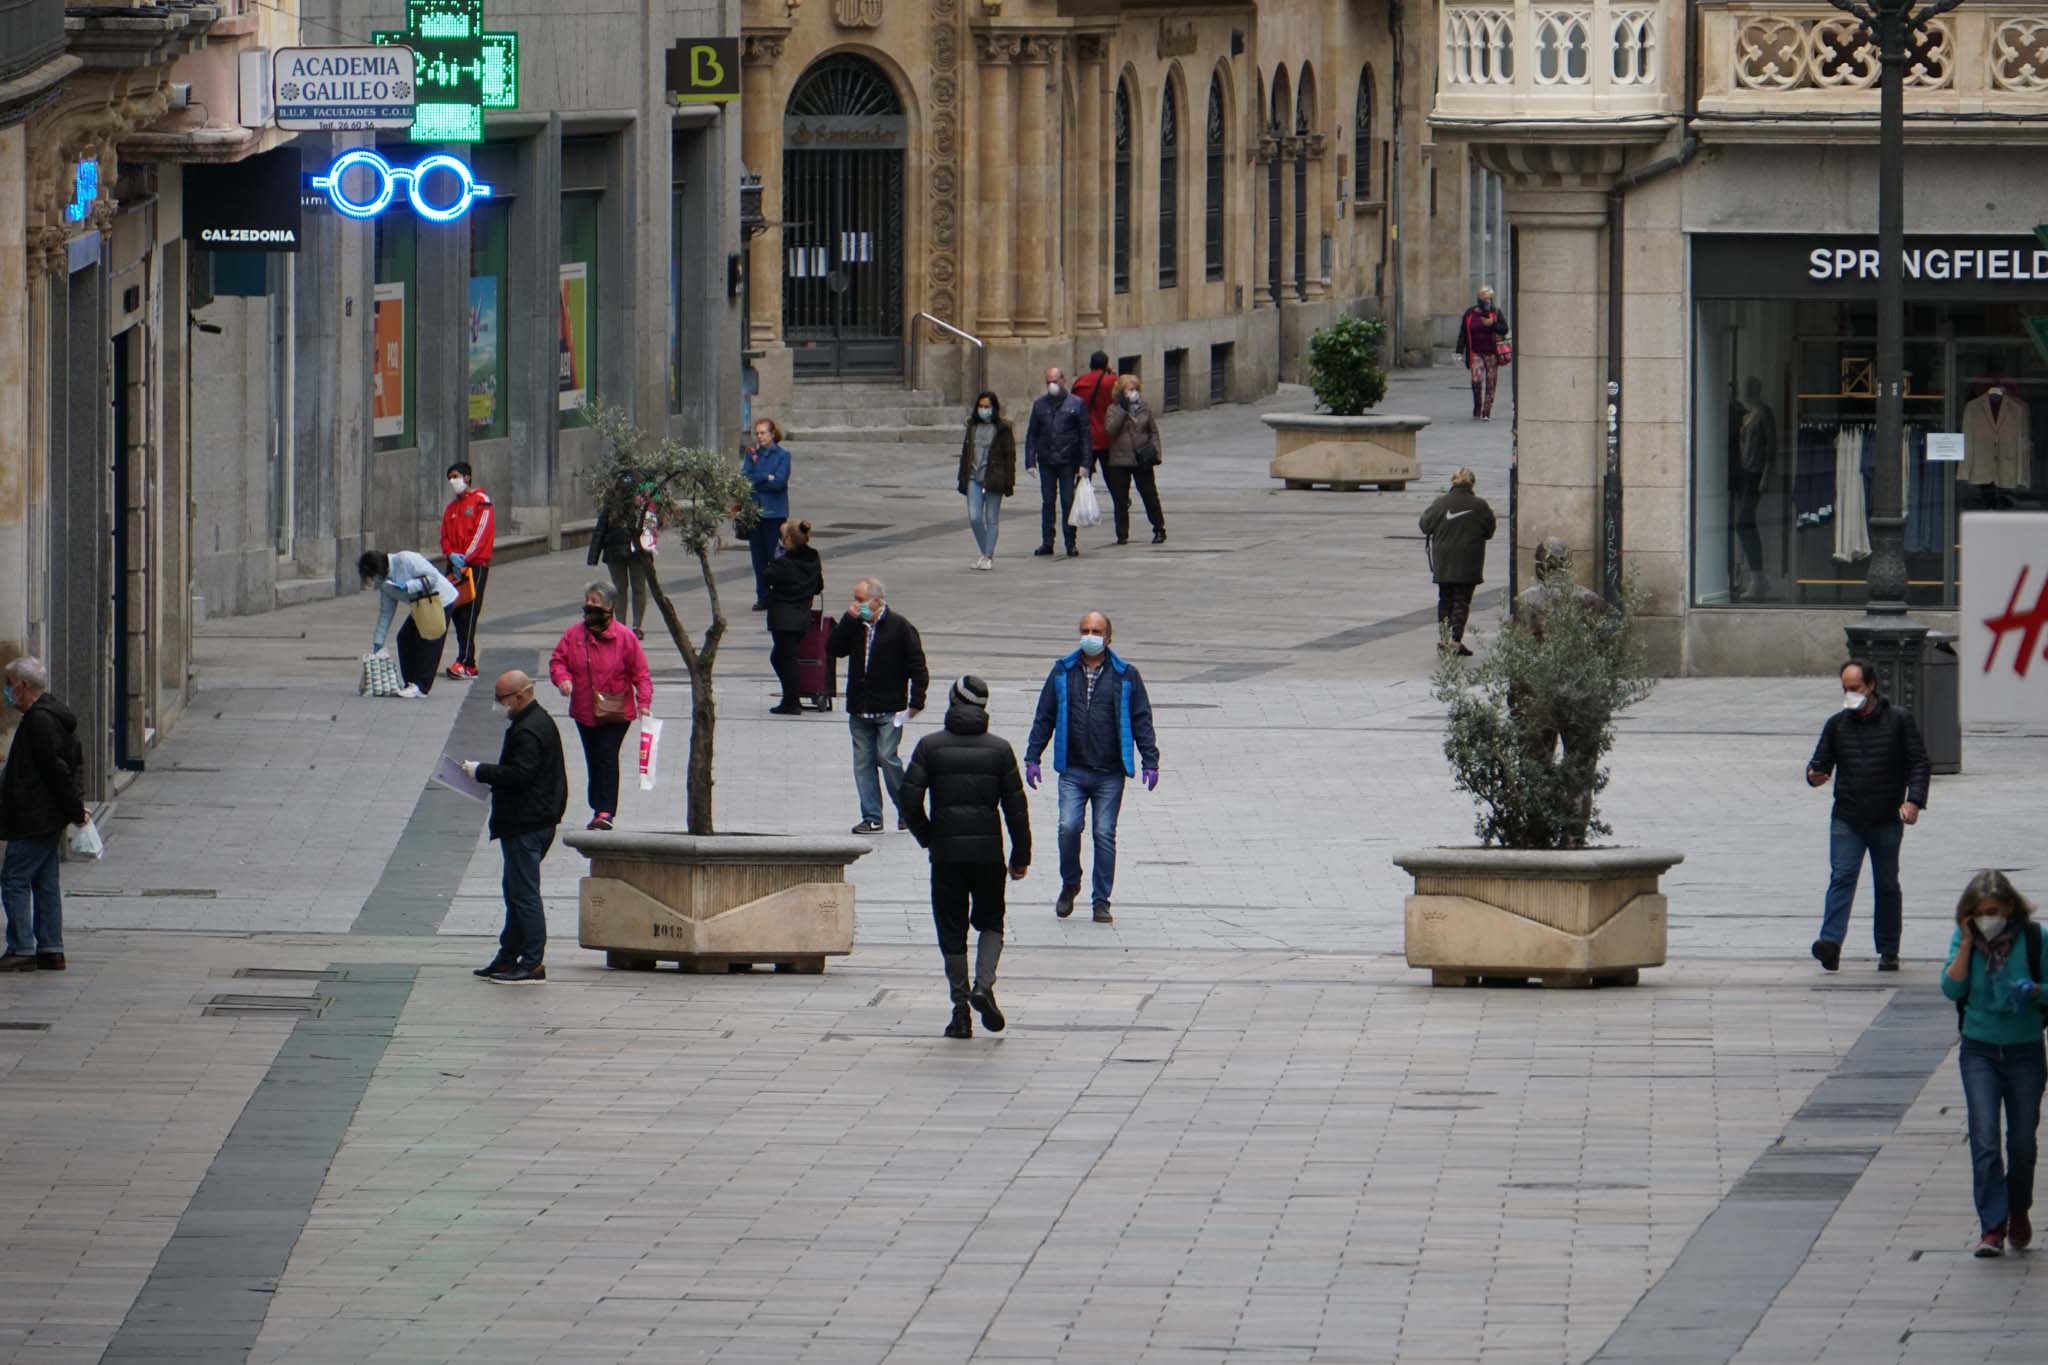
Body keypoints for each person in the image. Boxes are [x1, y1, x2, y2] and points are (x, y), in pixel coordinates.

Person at [898, 675, 1032, 1040]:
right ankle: (984, 986)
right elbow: (1016, 808)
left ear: (953, 702)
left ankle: (960, 1012)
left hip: (947, 856)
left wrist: (929, 837)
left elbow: (909, 800)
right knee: (992, 922)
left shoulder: (930, 746)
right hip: (988, 854)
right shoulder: (999, 749)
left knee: (952, 931)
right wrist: (1021, 855)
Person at [1024, 612, 1161, 924]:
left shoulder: (1126, 675)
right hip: (1072, 769)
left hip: (1109, 772)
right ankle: (1070, 883)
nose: (1090, 636)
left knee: (1103, 833)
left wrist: (1150, 760)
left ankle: (1101, 900)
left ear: (1108, 637)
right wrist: (1033, 756)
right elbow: (1044, 715)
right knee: (1068, 828)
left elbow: (1141, 719)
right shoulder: (1063, 671)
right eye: (1085, 630)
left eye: (1096, 631)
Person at [1940, 870, 2045, 1258]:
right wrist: (1967, 943)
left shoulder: (2035, 939)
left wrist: (2035, 990)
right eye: (1981, 912)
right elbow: (1951, 987)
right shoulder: (1965, 939)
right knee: (1984, 1139)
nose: (1990, 918)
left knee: (2021, 1141)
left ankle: (2018, 1208)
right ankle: (1992, 1226)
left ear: (2011, 909)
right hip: (1979, 1049)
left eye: (1996, 911)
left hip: (2025, 1050)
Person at [1806, 657, 1930, 973]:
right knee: (1842, 877)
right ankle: (1830, 943)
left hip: (1886, 816)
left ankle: (1888, 949)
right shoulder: (1837, 725)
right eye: (1845, 688)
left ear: (1871, 686)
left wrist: (1914, 801)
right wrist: (1814, 776)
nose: (1850, 694)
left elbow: (1919, 763)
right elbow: (1819, 764)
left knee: (1886, 883)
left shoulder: (1899, 720)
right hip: (1847, 816)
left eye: (1855, 688)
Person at [460, 670, 567, 985]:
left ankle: (532, 962)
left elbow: (520, 775)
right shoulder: (536, 722)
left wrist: (481, 771)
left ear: (520, 696)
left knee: (524, 894)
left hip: (527, 823)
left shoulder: (528, 730)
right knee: (516, 891)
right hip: (535, 819)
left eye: (501, 699)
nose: (498, 705)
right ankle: (508, 958)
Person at [0, 658, 86, 972]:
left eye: (9, 684)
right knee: (44, 879)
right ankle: (51, 947)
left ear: (23, 686)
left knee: (14, 879)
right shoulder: (49, 715)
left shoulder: (40, 721)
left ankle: (22, 947)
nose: (7, 692)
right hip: (46, 815)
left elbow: (57, 770)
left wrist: (75, 809)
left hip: (34, 816)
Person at [826, 578, 930, 834]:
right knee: (863, 763)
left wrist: (917, 701)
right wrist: (849, 620)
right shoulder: (855, 625)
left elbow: (917, 666)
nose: (855, 604)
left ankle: (907, 810)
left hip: (889, 708)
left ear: (876, 601)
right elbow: (833, 649)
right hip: (860, 708)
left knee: (887, 757)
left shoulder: (900, 627)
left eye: (860, 600)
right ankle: (872, 816)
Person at [548, 582, 653, 831]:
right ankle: (597, 806)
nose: (589, 605)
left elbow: (641, 673)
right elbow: (557, 661)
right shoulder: (574, 635)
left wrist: (644, 703)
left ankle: (605, 810)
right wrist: (562, 679)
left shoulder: (625, 638)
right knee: (594, 758)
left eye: (595, 601)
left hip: (616, 712)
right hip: (585, 711)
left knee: (606, 757)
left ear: (609, 606)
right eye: (588, 600)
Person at [359, 550, 460, 698]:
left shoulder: (406, 559)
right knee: (405, 638)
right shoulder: (384, 583)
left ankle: (421, 686)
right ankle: (410, 682)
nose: (375, 581)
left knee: (430, 640)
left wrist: (408, 586)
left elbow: (432, 577)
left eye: (374, 576)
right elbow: (386, 612)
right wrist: (378, 641)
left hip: (439, 599)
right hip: (420, 604)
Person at [1419, 467, 1497, 655]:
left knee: (1445, 599)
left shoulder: (1440, 503)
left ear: (1452, 482)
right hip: (1469, 561)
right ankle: (1455, 640)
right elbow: (1489, 531)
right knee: (1462, 601)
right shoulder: (1480, 505)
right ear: (1472, 484)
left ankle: (1444, 639)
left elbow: (1424, 525)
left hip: (1444, 560)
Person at [1024, 367, 1090, 558]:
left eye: (1055, 380)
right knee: (1048, 501)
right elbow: (1032, 435)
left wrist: (1085, 463)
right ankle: (1047, 542)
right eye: (1049, 382)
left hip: (1068, 461)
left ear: (1063, 380)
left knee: (1068, 501)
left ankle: (1070, 542)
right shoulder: (1040, 405)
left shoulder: (1076, 404)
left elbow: (1085, 435)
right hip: (1046, 460)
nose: (1053, 385)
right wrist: (1030, 461)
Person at [440, 462, 496, 680]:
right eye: (450, 477)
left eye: (456, 476)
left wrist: (465, 557)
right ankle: (468, 662)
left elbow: (481, 533)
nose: (453, 481)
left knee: (470, 611)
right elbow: (444, 535)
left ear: (467, 477)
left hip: (475, 564)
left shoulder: (482, 501)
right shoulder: (451, 509)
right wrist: (450, 554)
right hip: (454, 564)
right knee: (456, 611)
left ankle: (464, 661)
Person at [764, 519, 824, 714]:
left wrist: (776, 558)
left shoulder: (784, 563)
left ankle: (791, 701)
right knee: (782, 657)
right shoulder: (813, 558)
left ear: (788, 540)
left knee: (786, 659)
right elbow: (818, 586)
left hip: (783, 617)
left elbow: (766, 576)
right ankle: (790, 697)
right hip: (802, 616)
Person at [1101, 373, 1167, 546]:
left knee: (1149, 494)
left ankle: (1159, 528)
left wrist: (1156, 452)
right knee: (1120, 499)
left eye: (1136, 389)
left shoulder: (1144, 408)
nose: (1134, 392)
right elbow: (1110, 430)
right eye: (1130, 389)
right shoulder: (1113, 409)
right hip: (1119, 460)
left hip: (1141, 458)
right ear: (1121, 392)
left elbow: (1153, 431)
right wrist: (1123, 411)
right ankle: (1122, 533)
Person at [958, 391, 1017, 571]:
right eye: (981, 406)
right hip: (974, 478)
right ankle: (985, 552)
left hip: (994, 478)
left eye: (987, 407)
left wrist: (1008, 481)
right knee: (975, 517)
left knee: (992, 519)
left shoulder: (1003, 429)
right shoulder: (972, 427)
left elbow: (1010, 457)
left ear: (994, 408)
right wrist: (962, 476)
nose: (984, 410)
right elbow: (965, 454)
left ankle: (988, 556)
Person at [588, 489, 658, 639]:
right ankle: (620, 625)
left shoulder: (644, 501)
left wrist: (646, 508)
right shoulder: (611, 502)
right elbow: (601, 528)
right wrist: (593, 556)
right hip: (615, 552)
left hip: (638, 552)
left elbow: (653, 525)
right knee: (619, 589)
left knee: (638, 587)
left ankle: (636, 626)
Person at [744, 418, 792, 610]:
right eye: (758, 433)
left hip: (775, 512)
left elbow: (779, 482)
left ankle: (778, 593)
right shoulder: (751, 454)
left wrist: (760, 479)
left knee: (775, 555)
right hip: (755, 511)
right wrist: (765, 477)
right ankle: (762, 596)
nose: (760, 436)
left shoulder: (783, 456)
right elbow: (746, 477)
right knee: (758, 557)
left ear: (772, 434)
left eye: (763, 432)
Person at [1454, 285, 1510, 421]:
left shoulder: (1496, 312)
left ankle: (1486, 411)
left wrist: (1492, 324)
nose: (1487, 302)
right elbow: (1463, 334)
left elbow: (1504, 329)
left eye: (1490, 299)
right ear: (1478, 299)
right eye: (1484, 299)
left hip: (1492, 353)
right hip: (1476, 353)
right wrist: (1459, 351)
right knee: (1476, 380)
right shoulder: (1470, 313)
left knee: (1491, 382)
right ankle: (1477, 407)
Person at [1071, 350, 1118, 476]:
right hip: (1106, 436)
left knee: (1084, 477)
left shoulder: (1080, 381)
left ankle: (1080, 495)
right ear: (1106, 364)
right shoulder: (1112, 381)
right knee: (1113, 480)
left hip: (1086, 436)